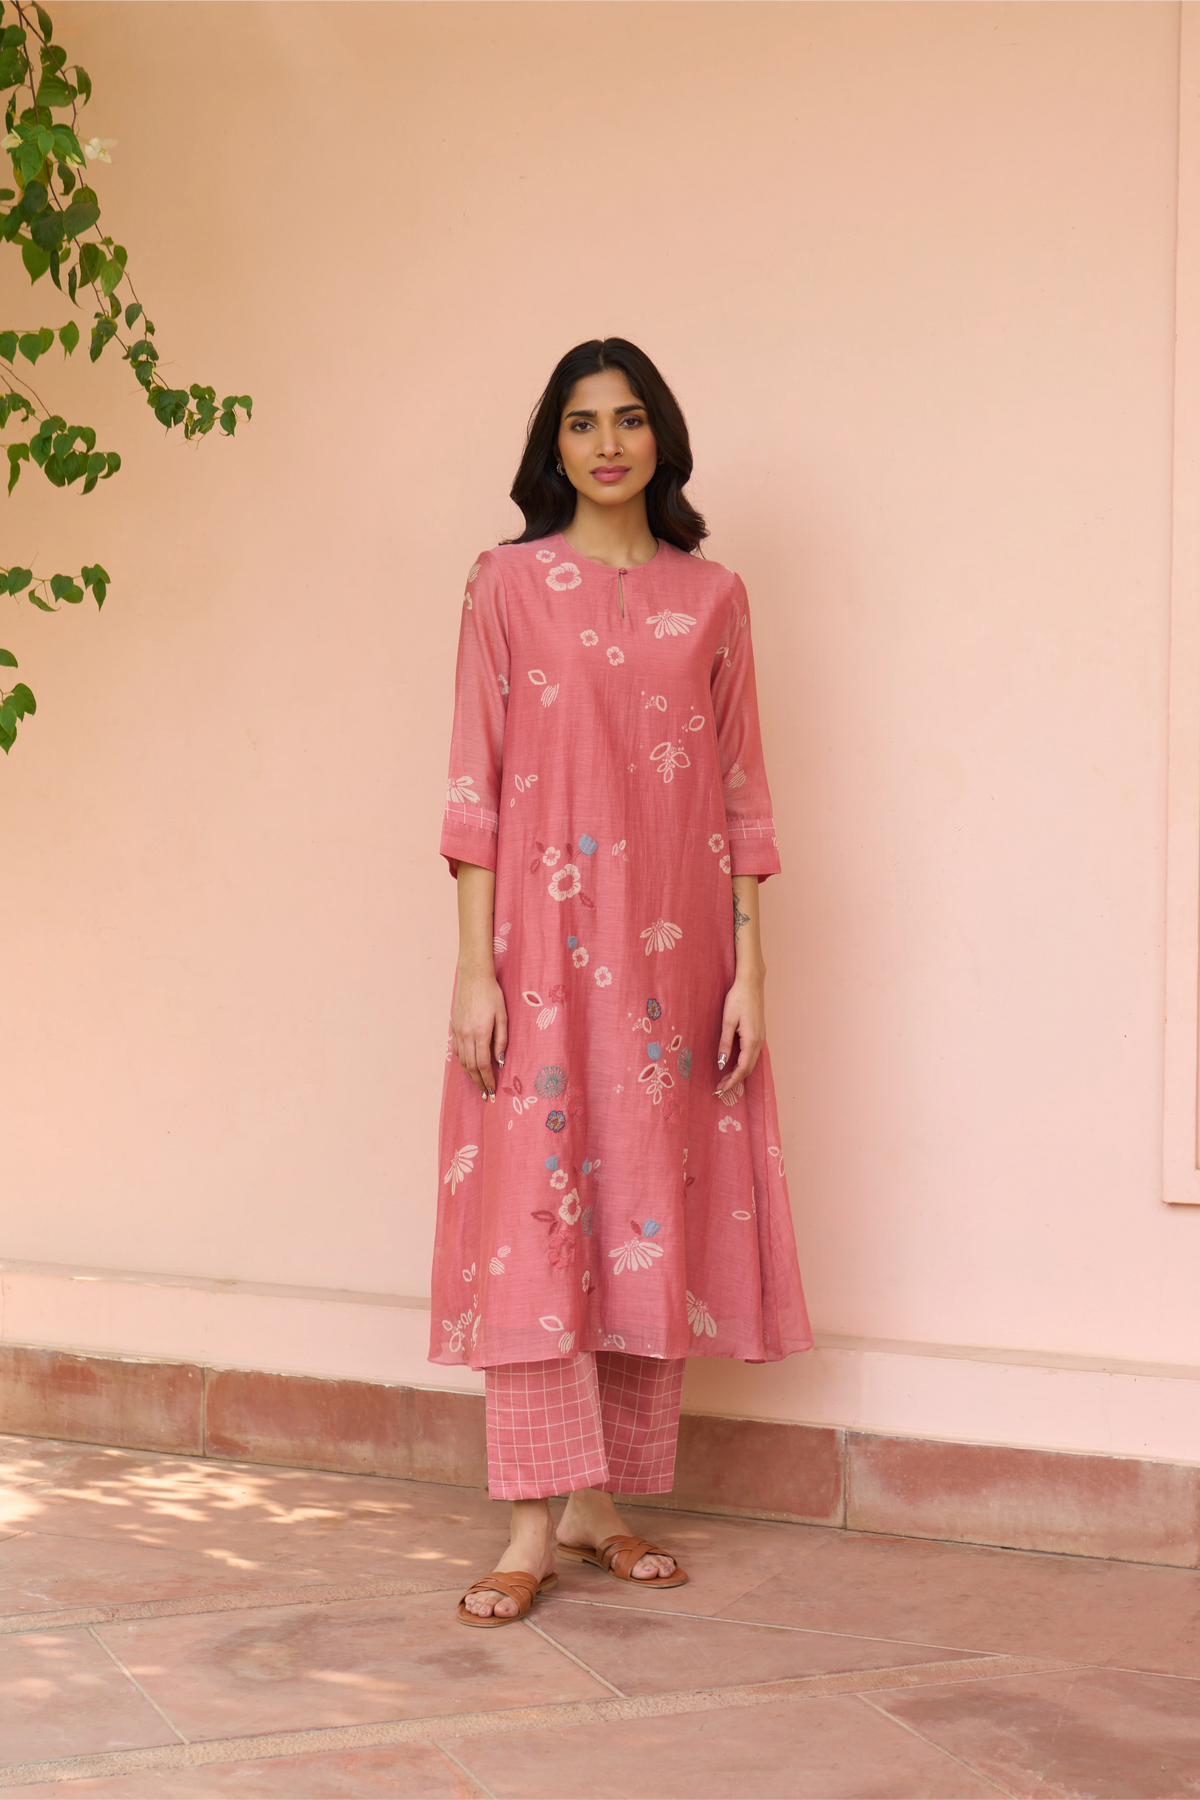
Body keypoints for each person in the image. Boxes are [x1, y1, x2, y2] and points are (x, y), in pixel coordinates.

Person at [433, 338, 812, 1627]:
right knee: (537, 1217)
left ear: (663, 439)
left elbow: (744, 797)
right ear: (554, 445)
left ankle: (598, 1506)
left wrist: (750, 973)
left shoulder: (715, 597)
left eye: (631, 419)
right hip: (538, 958)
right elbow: (474, 787)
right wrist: (474, 972)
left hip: (675, 962)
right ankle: (529, 1526)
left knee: (643, 1209)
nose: (608, 444)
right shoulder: (506, 584)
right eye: (583, 422)